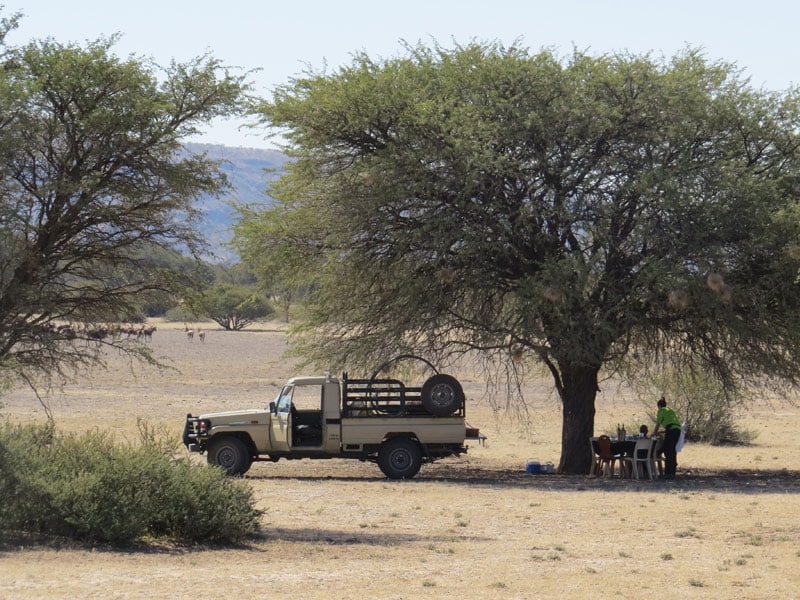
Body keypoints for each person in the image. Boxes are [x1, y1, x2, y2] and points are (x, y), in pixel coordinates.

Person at [651, 396, 681, 479]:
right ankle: (672, 471)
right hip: (677, 430)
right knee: (671, 450)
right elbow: (672, 424)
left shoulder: (661, 411)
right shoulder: (670, 410)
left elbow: (657, 424)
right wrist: (660, 432)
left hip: (671, 430)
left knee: (667, 451)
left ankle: (668, 473)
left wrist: (653, 434)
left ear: (659, 406)